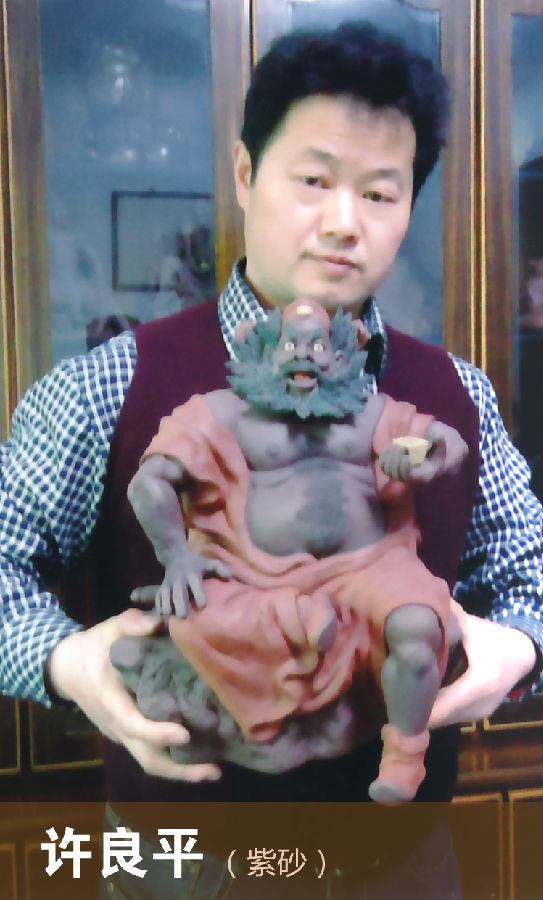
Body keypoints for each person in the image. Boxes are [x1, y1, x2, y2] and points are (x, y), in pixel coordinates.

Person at [0, 18, 541, 897]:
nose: (342, 223)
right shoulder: (111, 384)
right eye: (314, 180)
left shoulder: (457, 394)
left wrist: (520, 645)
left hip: (404, 873)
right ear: (246, 175)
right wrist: (67, 664)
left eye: (379, 193)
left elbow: (531, 569)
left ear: (409, 207)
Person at [121, 297, 469, 804]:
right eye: (290, 346)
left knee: (418, 627)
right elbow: (149, 484)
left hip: (371, 568)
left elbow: (446, 440)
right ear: (262, 350)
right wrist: (176, 556)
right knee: (197, 620)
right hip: (255, 577)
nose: (304, 356)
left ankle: (405, 756)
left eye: (317, 347)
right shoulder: (219, 414)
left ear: (344, 354)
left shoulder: (373, 413)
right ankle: (303, 622)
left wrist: (430, 456)